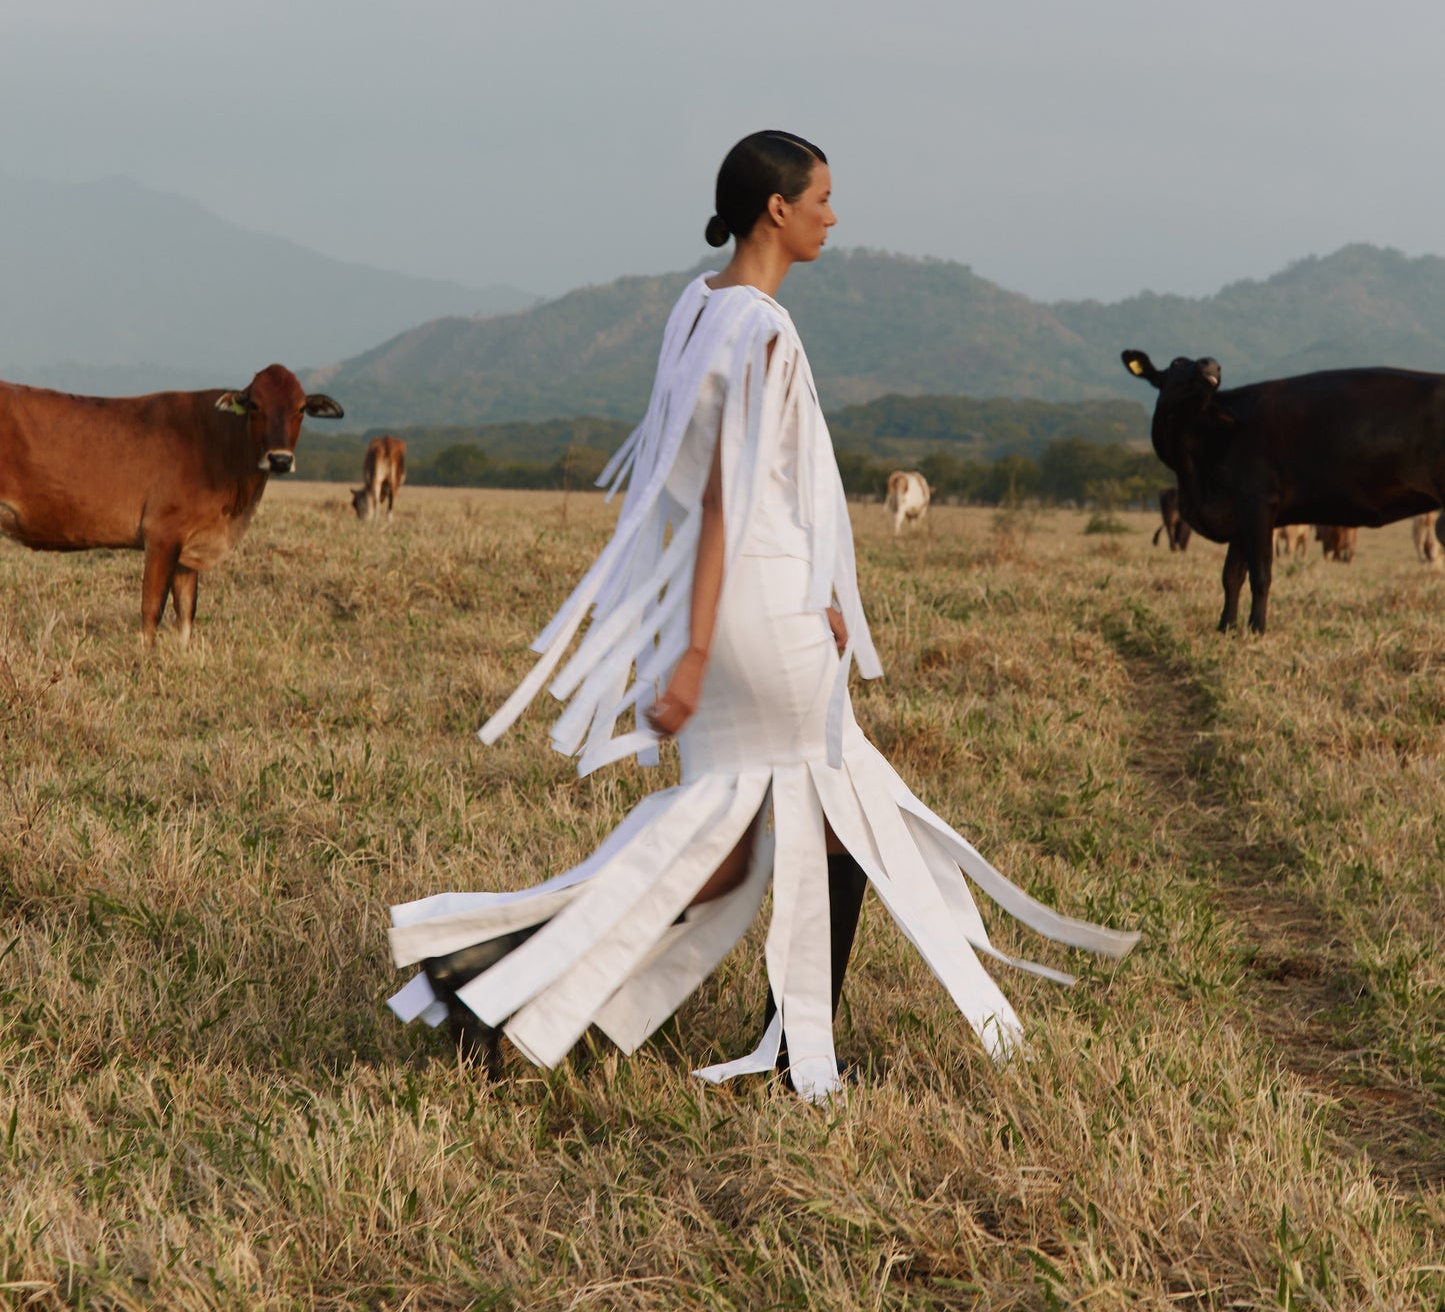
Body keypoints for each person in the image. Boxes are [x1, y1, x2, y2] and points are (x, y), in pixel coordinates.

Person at [386, 131, 1138, 1099]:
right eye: (821, 199)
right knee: (833, 828)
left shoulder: (695, 307)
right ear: (776, 210)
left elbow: (723, 485)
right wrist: (700, 649)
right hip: (758, 618)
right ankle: (781, 1047)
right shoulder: (765, 332)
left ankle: (500, 978)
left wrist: (750, 618)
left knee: (728, 846)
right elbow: (723, 501)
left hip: (743, 609)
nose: (833, 216)